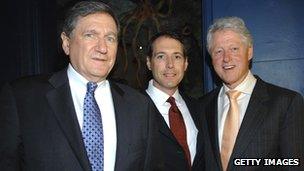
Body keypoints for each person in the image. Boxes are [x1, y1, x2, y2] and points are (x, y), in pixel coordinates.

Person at [0, 1, 161, 171]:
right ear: (66, 43)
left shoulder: (139, 105)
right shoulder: (22, 98)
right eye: (90, 35)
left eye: (110, 38)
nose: (102, 48)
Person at [199, 16, 304, 171]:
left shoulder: (286, 103)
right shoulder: (202, 106)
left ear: (249, 52)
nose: (226, 58)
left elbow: (294, 164)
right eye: (218, 51)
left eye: (234, 49)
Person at [145, 31, 204, 171]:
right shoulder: (131, 109)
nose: (170, 64)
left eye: (177, 57)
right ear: (149, 63)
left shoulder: (199, 108)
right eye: (161, 56)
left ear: (185, 64)